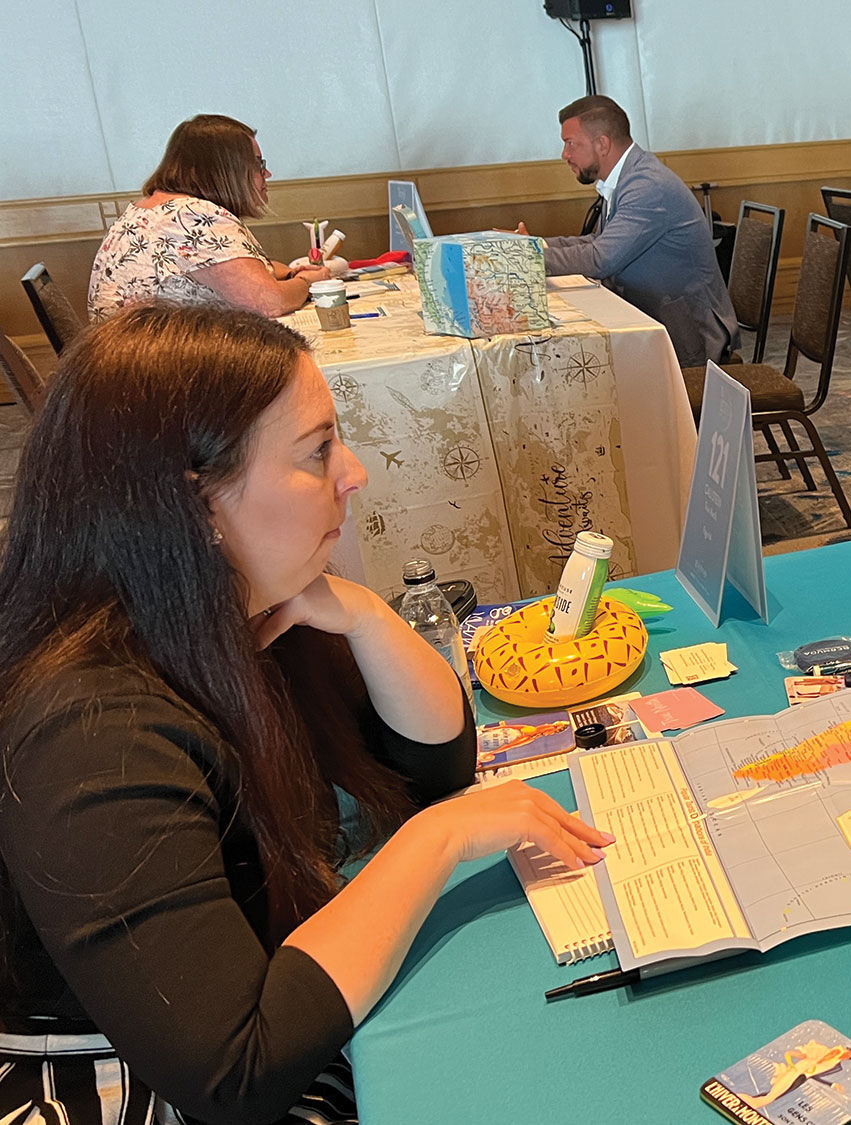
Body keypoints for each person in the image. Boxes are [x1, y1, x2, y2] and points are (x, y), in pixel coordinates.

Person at [0, 305, 612, 1124]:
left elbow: (433, 764)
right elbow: (236, 1071)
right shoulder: (91, 731)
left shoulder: (233, 615)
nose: (353, 472)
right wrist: (443, 838)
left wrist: (362, 614)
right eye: (317, 451)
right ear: (197, 506)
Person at [530, 95, 737, 364]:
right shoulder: (629, 176)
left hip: (689, 339)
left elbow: (599, 259)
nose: (565, 155)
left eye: (570, 144)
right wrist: (535, 245)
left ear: (602, 143)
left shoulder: (646, 185)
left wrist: (523, 257)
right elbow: (598, 241)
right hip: (656, 319)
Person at [87, 114, 331, 319]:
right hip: (163, 368)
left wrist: (288, 273)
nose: (266, 173)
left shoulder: (156, 209)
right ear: (225, 170)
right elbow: (268, 302)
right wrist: (308, 283)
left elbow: (228, 269)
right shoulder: (192, 216)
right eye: (258, 164)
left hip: (128, 359)